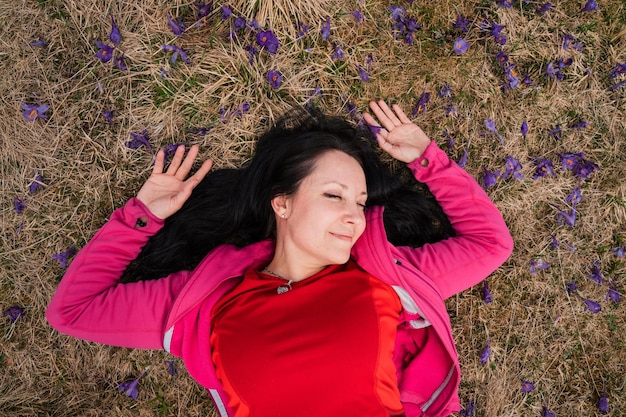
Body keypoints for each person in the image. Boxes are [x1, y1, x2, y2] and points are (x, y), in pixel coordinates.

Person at [46, 100, 513, 417]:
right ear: (282, 202)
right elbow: (73, 311)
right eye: (334, 195)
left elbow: (491, 245)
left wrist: (427, 159)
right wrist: (142, 215)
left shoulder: (385, 279)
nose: (355, 217)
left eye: (360, 201)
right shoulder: (204, 306)